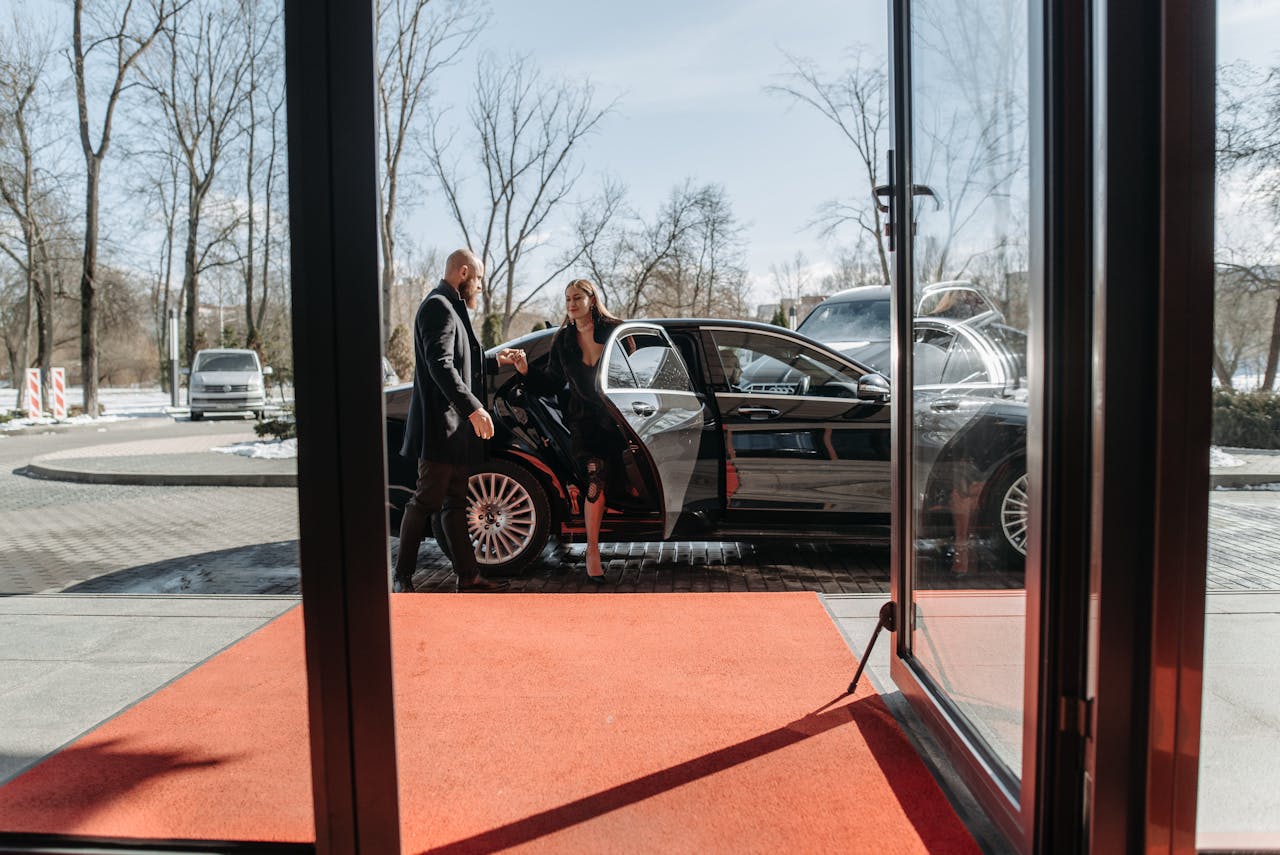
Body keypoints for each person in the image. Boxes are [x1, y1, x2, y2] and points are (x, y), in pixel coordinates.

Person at [394, 248, 521, 593]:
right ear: (463, 273)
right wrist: (474, 409)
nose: (480, 287)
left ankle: (469, 576)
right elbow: (441, 365)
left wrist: (500, 360)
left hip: (455, 431)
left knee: (454, 503)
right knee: (425, 501)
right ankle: (402, 577)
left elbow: (467, 361)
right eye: (479, 279)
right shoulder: (438, 306)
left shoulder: (451, 307)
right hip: (440, 428)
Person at [512, 278, 624, 582]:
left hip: (619, 422)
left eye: (577, 298)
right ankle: (592, 550)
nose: (571, 304)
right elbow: (550, 382)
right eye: (567, 299)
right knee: (594, 476)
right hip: (583, 425)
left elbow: (636, 373)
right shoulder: (562, 340)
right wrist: (525, 370)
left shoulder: (616, 331)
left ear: (591, 299)